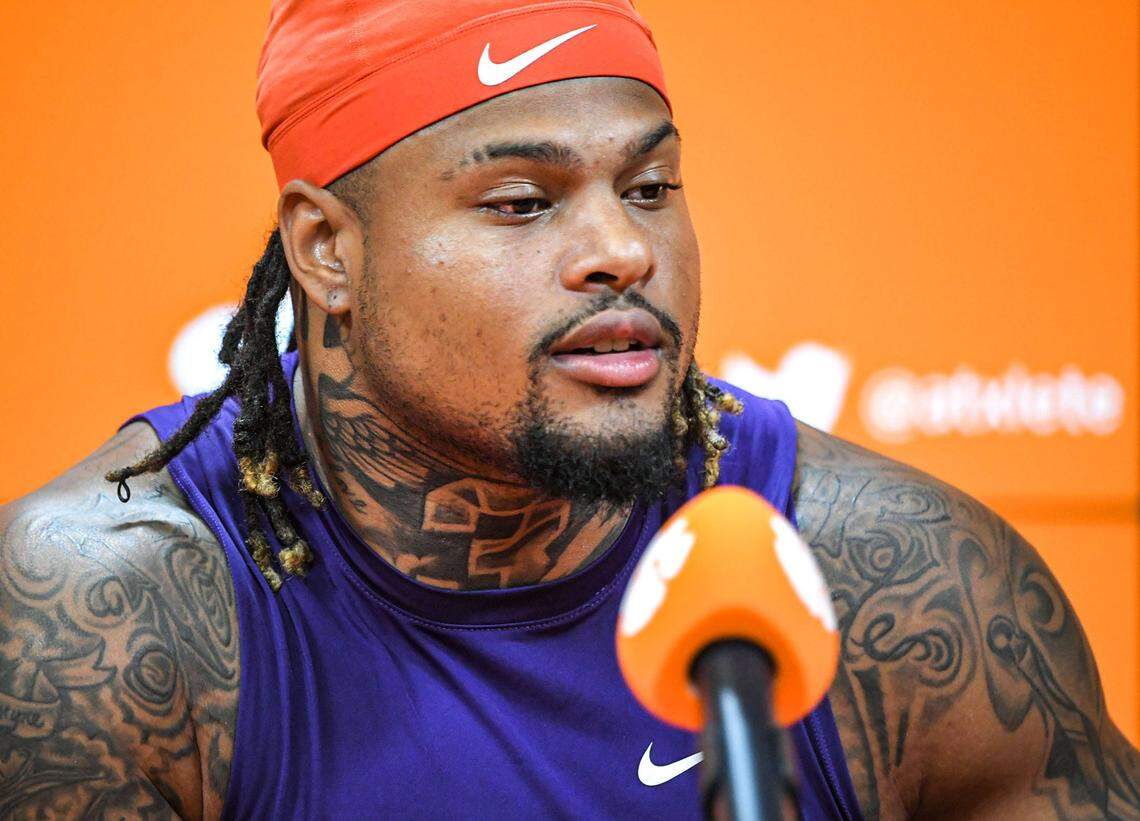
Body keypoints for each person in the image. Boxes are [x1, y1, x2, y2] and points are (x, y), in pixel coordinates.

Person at [1, 1, 1136, 818]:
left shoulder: (902, 588)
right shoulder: (106, 622)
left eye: (649, 188)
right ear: (326, 249)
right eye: (521, 202)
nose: (622, 249)